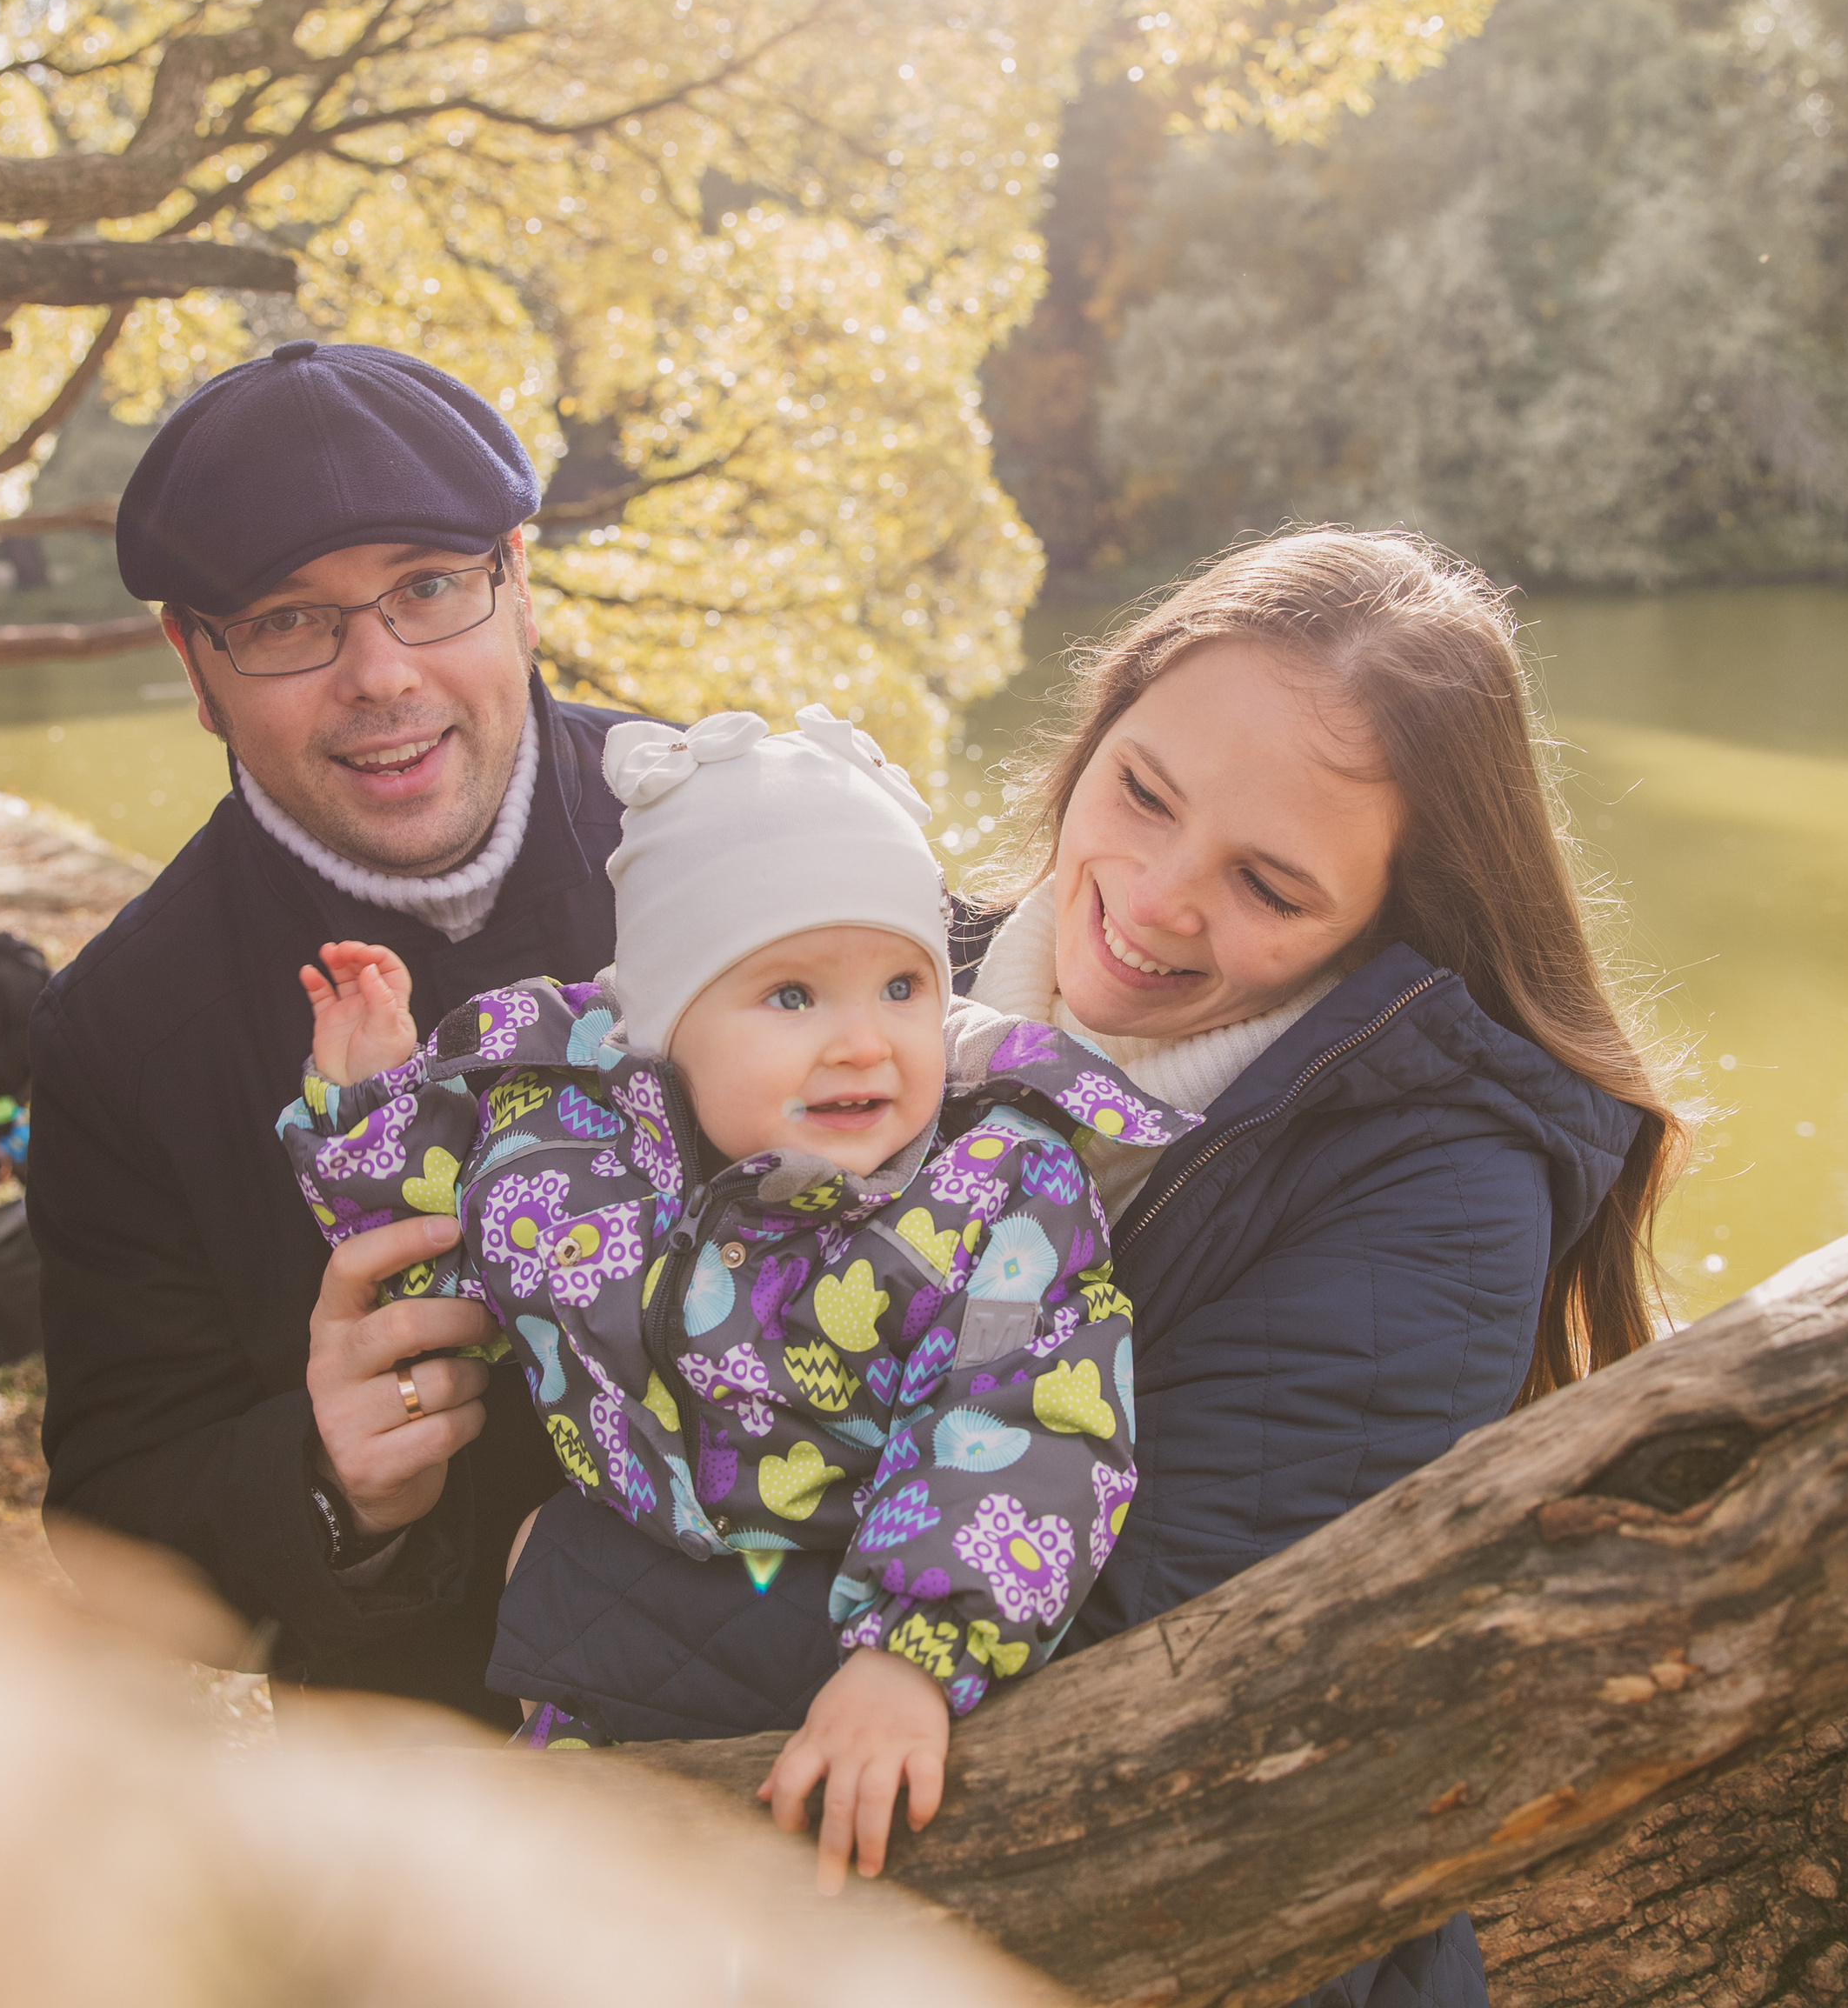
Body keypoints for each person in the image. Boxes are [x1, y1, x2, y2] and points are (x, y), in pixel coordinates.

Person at [949, 527, 1686, 2008]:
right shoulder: (886, 988)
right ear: (1098, 729)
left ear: (1389, 924)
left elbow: (1131, 1689)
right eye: (1141, 793)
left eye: (1270, 888)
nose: (1153, 899)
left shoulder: (1444, 1187)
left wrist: (571, 1573)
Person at [275, 705, 1189, 1885]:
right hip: (604, 1671)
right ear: (668, 1032)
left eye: (902, 984)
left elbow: (1023, 1422)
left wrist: (913, 1656)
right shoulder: (572, 1157)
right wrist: (367, 1103)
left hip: (864, 1638)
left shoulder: (997, 1195)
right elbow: (434, 1260)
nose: (864, 1042)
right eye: (793, 997)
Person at [31, 342, 644, 1716]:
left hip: (814, 1706)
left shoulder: (737, 833)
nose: (378, 675)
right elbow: (116, 1503)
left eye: (427, 589)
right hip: (427, 1765)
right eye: (287, 622)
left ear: (518, 581)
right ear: (195, 664)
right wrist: (326, 1482)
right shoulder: (120, 1032)